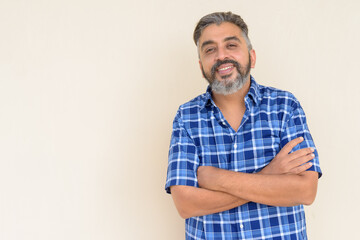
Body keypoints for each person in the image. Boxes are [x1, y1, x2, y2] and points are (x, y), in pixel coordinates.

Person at [165, 11, 322, 240]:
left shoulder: (285, 106)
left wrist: (215, 178)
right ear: (201, 67)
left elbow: (305, 191)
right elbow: (185, 204)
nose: (221, 56)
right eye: (210, 49)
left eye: (231, 45)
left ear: (252, 57)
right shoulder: (187, 117)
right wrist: (270, 174)